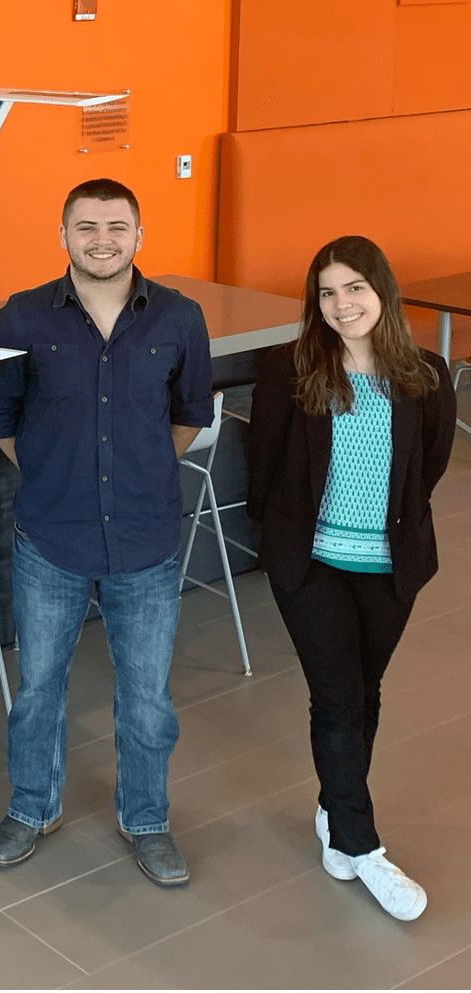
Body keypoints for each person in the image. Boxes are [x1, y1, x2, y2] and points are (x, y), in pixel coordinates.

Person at [0, 178, 213, 886]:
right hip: (51, 537)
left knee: (147, 697)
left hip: (145, 541)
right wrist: (55, 476)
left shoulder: (181, 317)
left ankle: (147, 819)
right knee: (38, 687)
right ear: (63, 233)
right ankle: (30, 805)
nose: (101, 239)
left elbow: (189, 411)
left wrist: (138, 470)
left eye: (116, 226)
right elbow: (0, 420)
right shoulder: (21, 317)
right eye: (86, 226)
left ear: (139, 236)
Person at [247, 235, 456, 921]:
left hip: (389, 568)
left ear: (381, 290)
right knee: (337, 696)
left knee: (364, 692)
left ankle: (335, 807)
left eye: (354, 287)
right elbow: (263, 468)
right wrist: (280, 552)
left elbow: (427, 469)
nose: (342, 304)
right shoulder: (290, 370)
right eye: (327, 292)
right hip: (312, 566)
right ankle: (364, 847)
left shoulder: (426, 374)